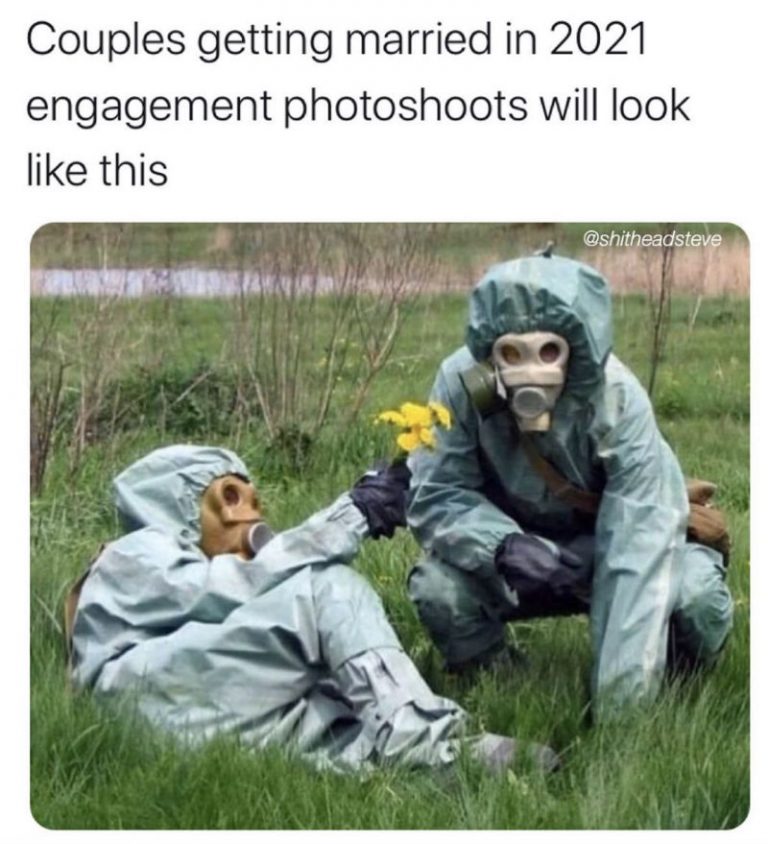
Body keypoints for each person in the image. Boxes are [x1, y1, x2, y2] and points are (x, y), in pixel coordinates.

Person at [67, 445, 558, 774]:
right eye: (229, 496)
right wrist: (354, 513)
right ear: (176, 503)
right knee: (324, 588)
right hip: (144, 690)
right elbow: (227, 588)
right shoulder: (136, 551)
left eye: (253, 500)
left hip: (179, 707)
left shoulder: (183, 574)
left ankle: (430, 766)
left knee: (328, 703)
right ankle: (423, 741)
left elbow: (247, 599)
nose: (248, 514)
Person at [406, 254, 734, 719]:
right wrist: (502, 545)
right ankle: (503, 686)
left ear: (576, 348)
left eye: (548, 352)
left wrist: (620, 721)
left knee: (695, 595)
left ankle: (676, 681)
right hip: (521, 555)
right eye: (510, 354)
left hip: (611, 545)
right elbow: (436, 492)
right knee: (439, 588)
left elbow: (641, 546)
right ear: (489, 352)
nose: (529, 373)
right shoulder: (465, 385)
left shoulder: (615, 398)